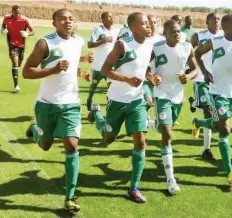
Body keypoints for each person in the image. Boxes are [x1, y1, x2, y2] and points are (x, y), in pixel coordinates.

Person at [22, 8, 92, 213]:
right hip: (46, 103)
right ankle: (35, 129)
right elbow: (27, 71)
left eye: (71, 19)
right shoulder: (45, 43)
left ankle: (70, 197)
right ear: (54, 23)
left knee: (71, 145)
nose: (67, 22)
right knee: (45, 145)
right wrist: (53, 69)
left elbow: (69, 66)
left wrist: (82, 71)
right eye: (62, 19)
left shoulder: (78, 42)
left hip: (70, 103)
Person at [88, 12, 153, 203]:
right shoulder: (122, 45)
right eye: (144, 23)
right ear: (133, 26)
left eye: (149, 23)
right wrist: (126, 80)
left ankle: (133, 188)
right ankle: (98, 116)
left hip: (137, 101)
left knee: (140, 142)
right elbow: (105, 70)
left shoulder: (150, 44)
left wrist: (149, 83)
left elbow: (145, 69)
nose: (149, 25)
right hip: (116, 100)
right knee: (108, 138)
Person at [192, 15, 232, 185]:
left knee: (218, 124)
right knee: (225, 129)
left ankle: (198, 122)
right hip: (216, 91)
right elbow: (197, 53)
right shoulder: (215, 41)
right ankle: (229, 172)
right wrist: (204, 72)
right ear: (225, 27)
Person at [147, 19, 197, 194]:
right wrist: (153, 78)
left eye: (178, 31)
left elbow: (195, 68)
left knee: (163, 128)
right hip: (161, 94)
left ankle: (150, 124)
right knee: (167, 134)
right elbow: (145, 68)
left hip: (177, 95)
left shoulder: (187, 47)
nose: (177, 34)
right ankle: (171, 179)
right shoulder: (156, 47)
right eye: (173, 32)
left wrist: (188, 77)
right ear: (165, 33)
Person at [188, 12, 223, 160]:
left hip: (219, 81)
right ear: (206, 22)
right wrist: (190, 69)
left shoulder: (223, 37)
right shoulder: (198, 36)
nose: (216, 21)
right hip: (201, 79)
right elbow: (189, 53)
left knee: (218, 116)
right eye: (213, 19)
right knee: (208, 111)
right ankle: (206, 149)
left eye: (218, 19)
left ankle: (197, 121)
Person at [86, 12, 119, 111]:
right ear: (103, 19)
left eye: (112, 16)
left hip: (110, 65)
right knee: (94, 84)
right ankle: (89, 98)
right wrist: (104, 40)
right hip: (98, 65)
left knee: (111, 87)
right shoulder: (98, 29)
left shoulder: (116, 31)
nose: (111, 18)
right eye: (109, 17)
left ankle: (110, 106)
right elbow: (89, 44)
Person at [1, 5, 34, 93]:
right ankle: (16, 86)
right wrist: (3, 30)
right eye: (15, 13)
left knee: (19, 64)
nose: (17, 15)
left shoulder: (24, 20)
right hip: (11, 43)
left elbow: (33, 31)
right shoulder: (7, 18)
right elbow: (3, 26)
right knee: (15, 63)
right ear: (12, 12)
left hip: (21, 45)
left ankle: (16, 70)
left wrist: (27, 34)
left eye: (19, 13)